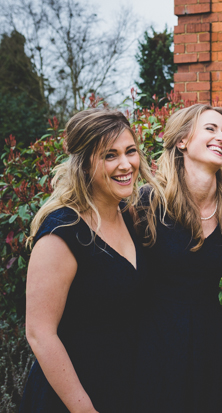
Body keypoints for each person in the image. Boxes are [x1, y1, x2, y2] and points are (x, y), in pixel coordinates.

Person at [20, 109, 160, 412]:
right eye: (110, 156)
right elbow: (40, 333)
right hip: (74, 397)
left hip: (126, 389)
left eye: (130, 151)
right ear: (84, 165)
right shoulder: (62, 232)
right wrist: (84, 408)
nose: (126, 165)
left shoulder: (131, 216)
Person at [132, 104, 222, 412]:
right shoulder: (148, 202)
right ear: (182, 141)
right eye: (211, 129)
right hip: (155, 343)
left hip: (211, 345)